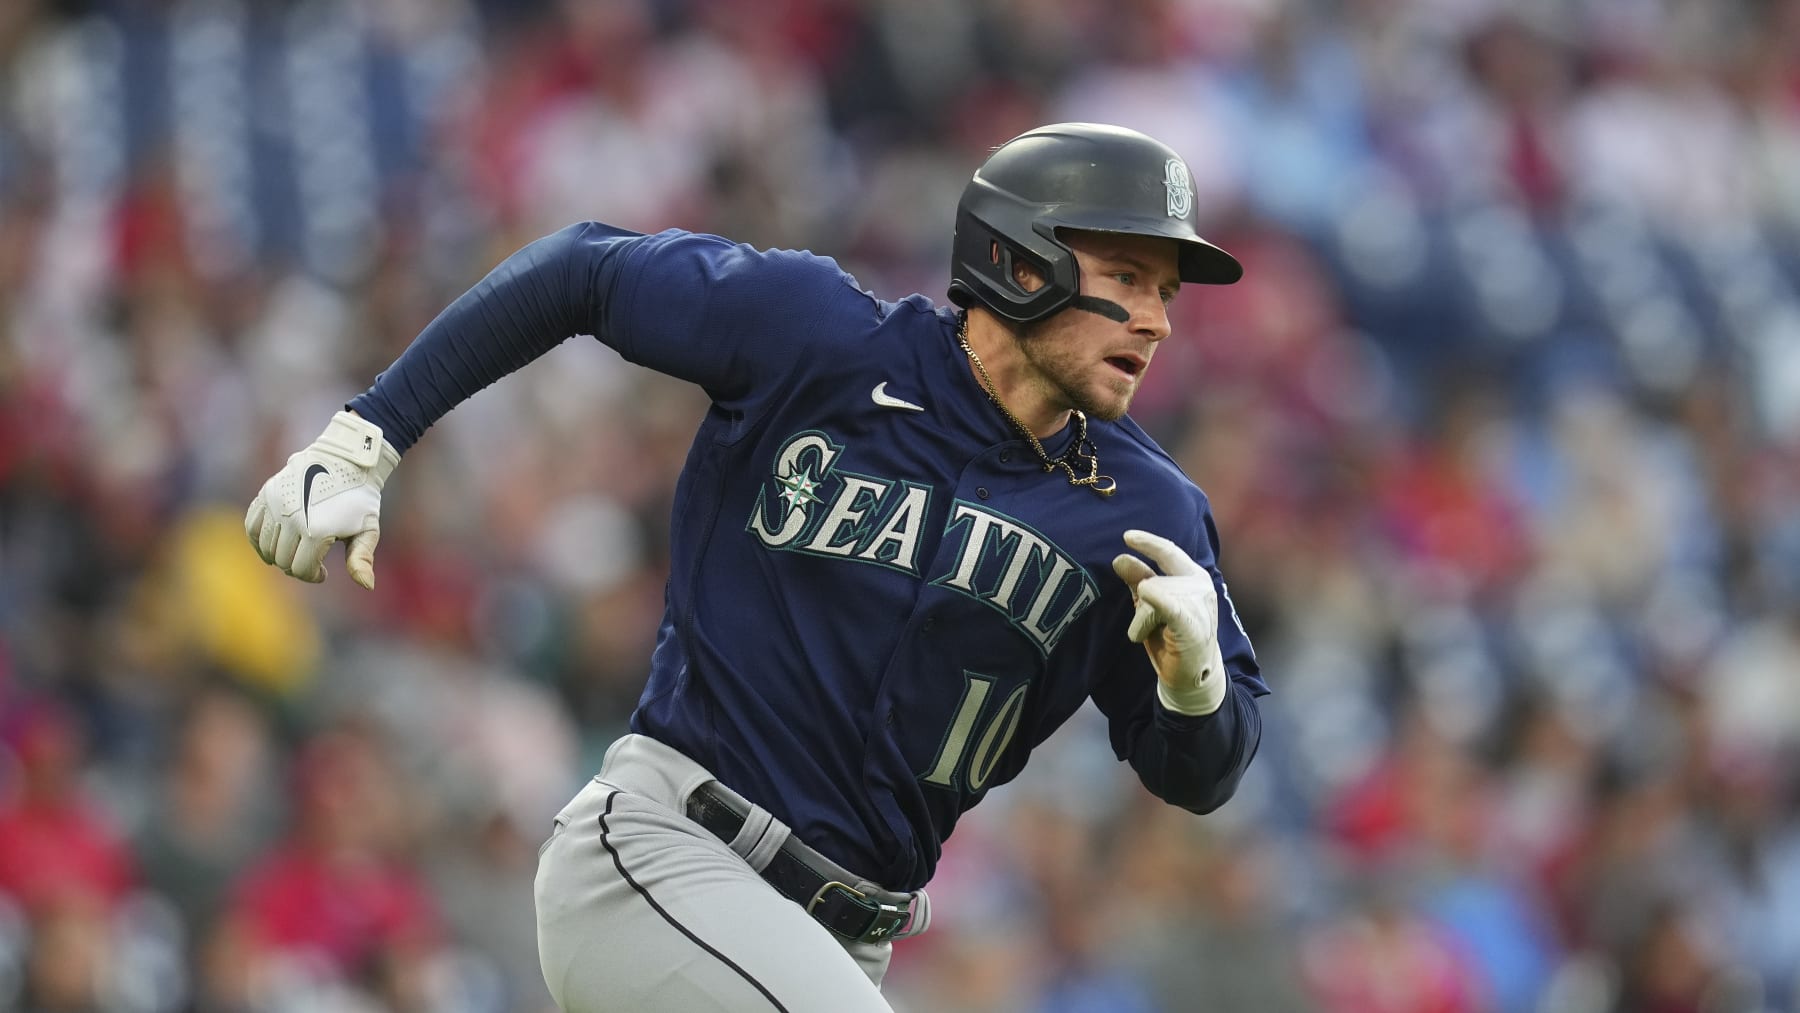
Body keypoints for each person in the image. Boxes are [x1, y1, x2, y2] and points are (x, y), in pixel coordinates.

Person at [244, 122, 1271, 1012]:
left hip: (839, 946)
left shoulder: (1149, 511)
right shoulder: (818, 338)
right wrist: (368, 435)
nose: (1158, 319)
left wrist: (1196, 688)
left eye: (1166, 292)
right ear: (1022, 256)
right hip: (666, 853)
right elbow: (583, 270)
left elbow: (1200, 770)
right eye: (1130, 277)